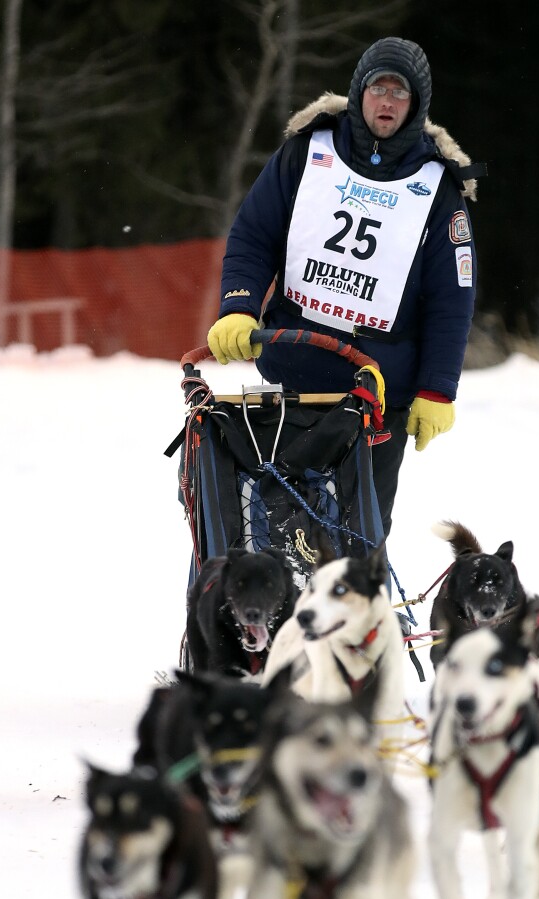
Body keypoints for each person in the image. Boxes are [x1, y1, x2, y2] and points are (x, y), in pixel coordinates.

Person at [207, 37, 484, 540]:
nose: (386, 102)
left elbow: (452, 298)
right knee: (283, 534)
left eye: (400, 93)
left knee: (358, 541)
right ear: (359, 91)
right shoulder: (306, 152)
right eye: (378, 87)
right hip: (297, 374)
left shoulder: (440, 189)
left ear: (416, 105)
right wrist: (239, 307)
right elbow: (254, 235)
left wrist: (437, 388)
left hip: (380, 393)